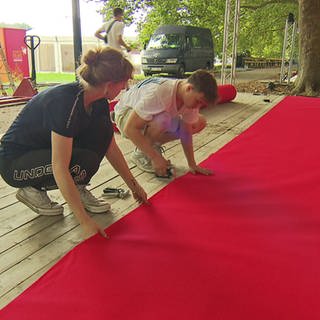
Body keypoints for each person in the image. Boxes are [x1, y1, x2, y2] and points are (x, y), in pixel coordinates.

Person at [0, 47, 147, 238]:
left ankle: (77, 188)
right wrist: (84, 220)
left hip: (41, 152)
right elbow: (59, 165)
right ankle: (31, 189)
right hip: (14, 163)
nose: (125, 88)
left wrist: (134, 186)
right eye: (124, 82)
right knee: (73, 161)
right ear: (109, 84)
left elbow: (111, 147)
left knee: (95, 146)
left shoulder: (99, 101)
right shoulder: (64, 102)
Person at [113, 69, 219, 178]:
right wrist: (155, 157)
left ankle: (151, 145)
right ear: (189, 88)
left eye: (201, 104)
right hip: (125, 115)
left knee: (199, 121)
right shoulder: (161, 92)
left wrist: (192, 164)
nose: (198, 106)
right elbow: (130, 129)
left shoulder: (189, 95)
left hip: (145, 115)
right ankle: (142, 153)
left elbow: (186, 132)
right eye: (198, 101)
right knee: (163, 120)